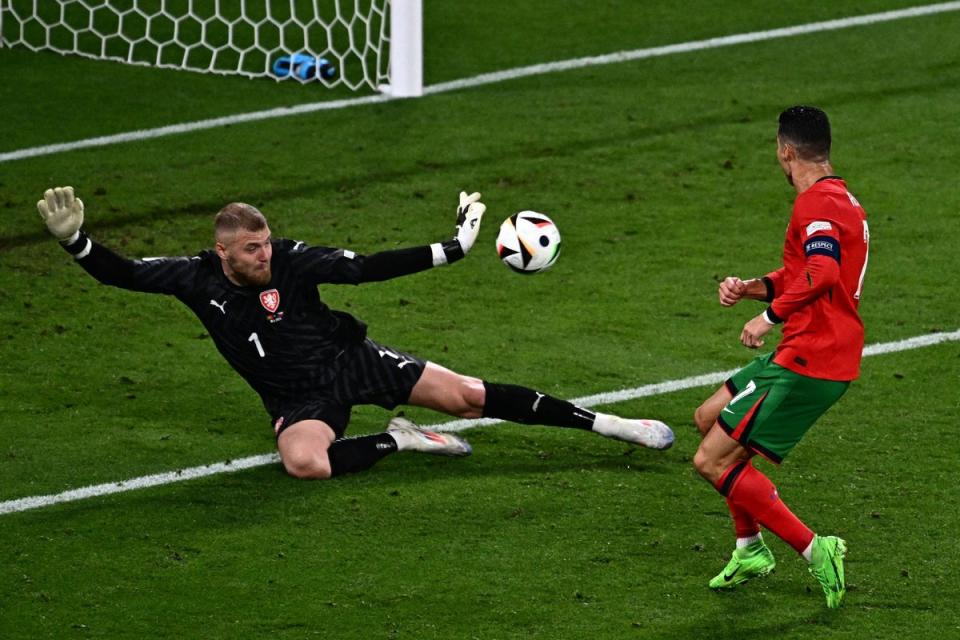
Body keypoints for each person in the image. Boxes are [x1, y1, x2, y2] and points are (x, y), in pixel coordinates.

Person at [38, 187, 674, 480]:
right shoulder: (194, 277)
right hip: (297, 401)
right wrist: (75, 242)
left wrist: (450, 249)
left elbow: (366, 268)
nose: (265, 255)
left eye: (265, 244)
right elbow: (120, 273)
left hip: (352, 361)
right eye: (253, 249)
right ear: (223, 250)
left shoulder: (290, 258)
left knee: (469, 396)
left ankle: (609, 425)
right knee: (306, 465)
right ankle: (402, 443)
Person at [691, 106, 869, 608]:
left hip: (811, 359)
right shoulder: (838, 200)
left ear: (786, 151)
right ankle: (749, 549)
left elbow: (824, 272)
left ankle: (817, 550)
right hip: (810, 350)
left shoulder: (816, 204)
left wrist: (767, 317)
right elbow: (803, 272)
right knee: (707, 419)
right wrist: (751, 288)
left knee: (711, 460)